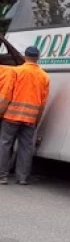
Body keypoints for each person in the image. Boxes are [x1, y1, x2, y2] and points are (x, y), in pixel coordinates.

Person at [0, 46, 50, 185]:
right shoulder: (44, 76)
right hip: (30, 118)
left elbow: (7, 94)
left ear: (25, 57)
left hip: (11, 116)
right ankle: (22, 178)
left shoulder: (16, 72)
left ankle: (2, 176)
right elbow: (43, 102)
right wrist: (37, 120)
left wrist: (1, 112)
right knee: (26, 147)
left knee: (5, 144)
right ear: (38, 58)